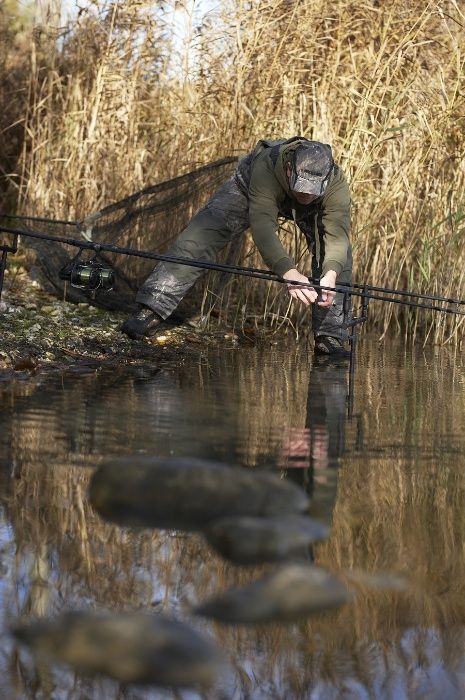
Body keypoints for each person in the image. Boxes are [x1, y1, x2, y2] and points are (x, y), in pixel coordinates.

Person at [121, 136, 352, 355]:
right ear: (290, 168)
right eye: (302, 185)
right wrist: (289, 273)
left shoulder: (336, 184)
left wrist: (330, 274)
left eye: (313, 189)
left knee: (340, 262)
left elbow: (337, 236)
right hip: (247, 187)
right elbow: (263, 227)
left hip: (314, 212)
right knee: (199, 236)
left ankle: (329, 336)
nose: (305, 193)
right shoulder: (268, 165)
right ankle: (151, 309)